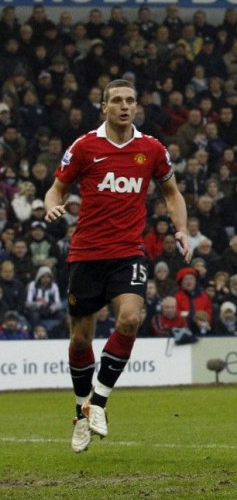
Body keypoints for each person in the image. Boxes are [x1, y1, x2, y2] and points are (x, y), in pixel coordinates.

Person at [44, 79, 190, 454]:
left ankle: (99, 402)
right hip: (86, 254)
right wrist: (51, 205)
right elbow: (56, 188)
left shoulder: (151, 148)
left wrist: (181, 230)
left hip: (127, 252)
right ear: (104, 106)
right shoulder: (84, 147)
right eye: (117, 101)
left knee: (129, 318)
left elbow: (171, 193)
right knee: (80, 337)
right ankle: (80, 410)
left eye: (130, 101)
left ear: (137, 106)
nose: (125, 106)